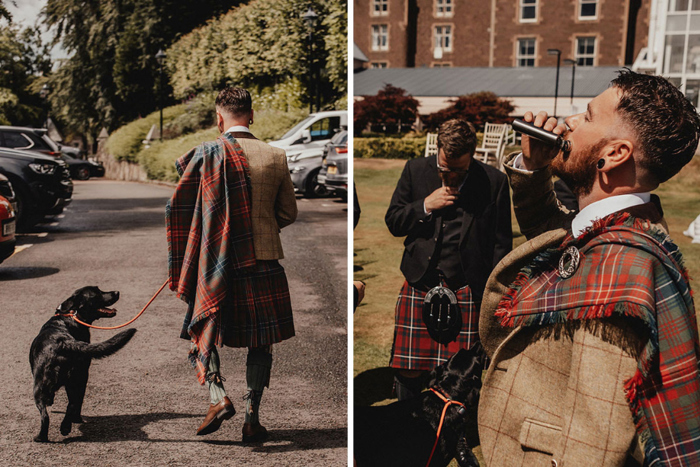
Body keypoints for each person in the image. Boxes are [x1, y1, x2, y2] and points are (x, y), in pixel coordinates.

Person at [478, 69, 700, 466]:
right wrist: (534, 168)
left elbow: (595, 438)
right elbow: (561, 242)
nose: (569, 123)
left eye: (588, 115)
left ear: (615, 154)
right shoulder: (623, 224)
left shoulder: (623, 266)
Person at [166, 87, 297, 442]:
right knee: (262, 342)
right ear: (252, 115)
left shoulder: (207, 153)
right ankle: (252, 418)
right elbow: (288, 212)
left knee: (203, 325)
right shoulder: (276, 155)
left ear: (218, 118)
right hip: (264, 262)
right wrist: (260, 228)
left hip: (215, 263)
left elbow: (182, 207)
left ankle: (217, 396)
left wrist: (213, 236)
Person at [385, 118, 512, 400]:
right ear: (438, 148)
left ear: (473, 155)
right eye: (444, 167)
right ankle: (407, 425)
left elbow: (501, 244)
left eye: (458, 169)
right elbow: (393, 221)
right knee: (409, 367)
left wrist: (495, 297)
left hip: (467, 287)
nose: (450, 174)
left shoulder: (494, 182)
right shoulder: (415, 170)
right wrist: (425, 205)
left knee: (460, 371)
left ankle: (453, 436)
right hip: (420, 282)